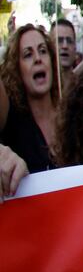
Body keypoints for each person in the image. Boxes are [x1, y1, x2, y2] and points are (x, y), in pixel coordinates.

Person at [0, 24, 59, 173]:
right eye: (28, 54)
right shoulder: (12, 122)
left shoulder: (72, 117)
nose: (38, 59)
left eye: (43, 51)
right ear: (17, 69)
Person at [50, 18, 78, 91]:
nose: (65, 46)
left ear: (75, 47)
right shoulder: (43, 89)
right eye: (59, 41)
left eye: (69, 41)